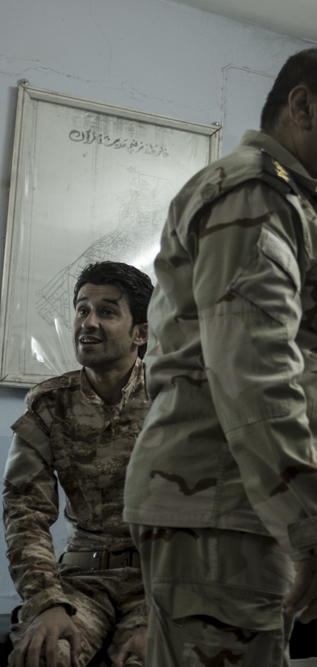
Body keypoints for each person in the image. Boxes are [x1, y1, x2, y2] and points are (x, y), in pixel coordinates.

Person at [123, 48, 317, 667]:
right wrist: (309, 525)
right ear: (302, 105)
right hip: (227, 510)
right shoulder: (255, 193)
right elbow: (254, 368)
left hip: (234, 508)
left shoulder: (284, 199)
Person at [3, 261, 154, 667]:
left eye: (107, 311)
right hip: (80, 583)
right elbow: (25, 513)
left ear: (140, 333)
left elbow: (205, 514)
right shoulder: (49, 404)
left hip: (159, 583)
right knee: (46, 655)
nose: (88, 322)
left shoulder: (174, 400)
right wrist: (47, 603)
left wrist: (166, 613)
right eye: (82, 309)